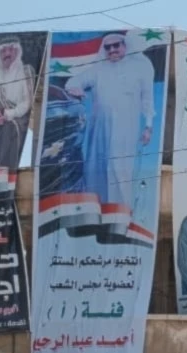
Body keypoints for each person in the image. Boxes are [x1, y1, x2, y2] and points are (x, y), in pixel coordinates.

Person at [65, 31, 155, 236]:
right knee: (95, 169)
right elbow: (73, 81)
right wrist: (76, 88)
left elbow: (148, 100)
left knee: (119, 171)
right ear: (104, 50)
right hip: (99, 130)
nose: (113, 50)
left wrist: (148, 126)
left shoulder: (139, 68)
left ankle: (120, 220)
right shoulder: (98, 69)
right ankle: (95, 217)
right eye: (109, 47)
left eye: (117, 45)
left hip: (126, 130)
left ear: (125, 46)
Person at [0, 36, 37, 170]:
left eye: (11, 50)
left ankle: (5, 174)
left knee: (8, 127)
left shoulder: (26, 72)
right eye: (3, 52)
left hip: (18, 122)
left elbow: (27, 103)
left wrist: (9, 114)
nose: (7, 54)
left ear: (17, 52)